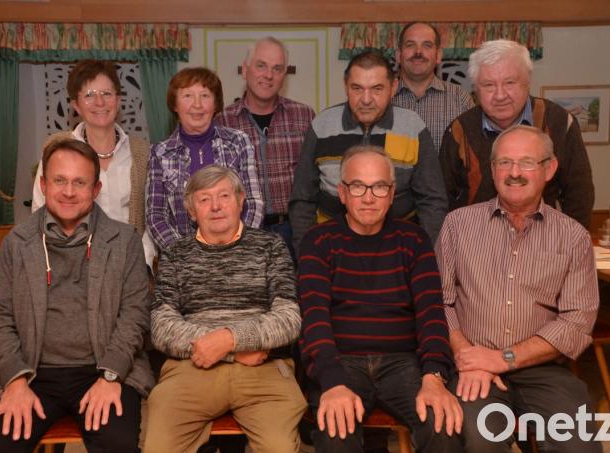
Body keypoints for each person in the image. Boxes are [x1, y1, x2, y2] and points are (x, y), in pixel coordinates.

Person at [0, 139, 153, 453]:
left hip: (105, 368)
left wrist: (111, 377)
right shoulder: (17, 243)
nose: (69, 191)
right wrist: (14, 380)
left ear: (96, 190)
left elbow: (135, 317)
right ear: (44, 185)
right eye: (60, 180)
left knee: (118, 445)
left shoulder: (125, 241)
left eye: (80, 182)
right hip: (31, 372)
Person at [436, 125, 601, 452]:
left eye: (527, 163)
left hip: (543, 370)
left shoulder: (573, 237)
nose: (514, 173)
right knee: (480, 439)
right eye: (504, 163)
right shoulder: (457, 225)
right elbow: (439, 303)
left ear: (549, 169)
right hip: (473, 367)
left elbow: (576, 323)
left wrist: (503, 358)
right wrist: (469, 357)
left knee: (578, 443)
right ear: (492, 169)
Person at [297, 145, 463, 453]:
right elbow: (314, 320)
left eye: (379, 187)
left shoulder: (414, 240)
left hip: (404, 363)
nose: (369, 197)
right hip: (341, 361)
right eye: (358, 186)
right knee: (335, 435)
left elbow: (431, 314)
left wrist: (434, 375)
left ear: (392, 193)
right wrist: (332, 382)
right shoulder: (318, 241)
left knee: (442, 426)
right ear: (342, 193)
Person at [144, 165, 306, 452]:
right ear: (191, 211)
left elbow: (288, 318)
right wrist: (231, 350)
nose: (216, 206)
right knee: (159, 447)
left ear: (241, 201)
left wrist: (230, 338)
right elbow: (161, 325)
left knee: (279, 447)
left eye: (224, 196)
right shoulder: (176, 254)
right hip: (191, 369)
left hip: (263, 370)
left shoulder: (270, 246)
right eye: (204, 199)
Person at [289, 50, 447, 256]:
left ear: (393, 87)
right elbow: (302, 200)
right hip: (331, 250)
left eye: (377, 89)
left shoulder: (412, 127)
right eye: (357, 88)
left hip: (398, 250)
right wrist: (307, 254)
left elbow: (432, 201)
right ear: (346, 86)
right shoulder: (322, 125)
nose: (366, 99)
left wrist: (424, 255)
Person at [440, 39, 595, 228]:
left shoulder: (560, 122)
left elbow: (579, 193)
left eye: (509, 83)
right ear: (476, 89)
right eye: (489, 85)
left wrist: (571, 240)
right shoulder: (459, 130)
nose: (500, 95)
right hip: (478, 239)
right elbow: (443, 198)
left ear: (527, 82)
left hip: (544, 239)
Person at [31, 59, 157, 271]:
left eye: (107, 93)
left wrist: (140, 262)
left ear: (118, 100)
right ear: (76, 105)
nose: (100, 102)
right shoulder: (57, 149)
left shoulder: (142, 152)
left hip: (130, 265)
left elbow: (151, 218)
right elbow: (40, 212)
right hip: (71, 267)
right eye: (89, 95)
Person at [217, 36, 315, 259]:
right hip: (242, 231)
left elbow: (313, 179)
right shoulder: (223, 121)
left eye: (277, 69)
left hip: (293, 231)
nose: (269, 75)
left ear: (284, 76)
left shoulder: (304, 116)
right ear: (245, 70)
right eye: (261, 65)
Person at [147, 67, 264, 251]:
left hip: (238, 254)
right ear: (175, 105)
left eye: (205, 95)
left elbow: (254, 203)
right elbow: (156, 216)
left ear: (216, 104)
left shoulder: (238, 142)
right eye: (187, 96)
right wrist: (186, 254)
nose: (197, 105)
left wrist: (236, 247)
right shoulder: (160, 153)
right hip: (184, 260)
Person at [393, 22, 474, 153]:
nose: (418, 52)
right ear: (398, 55)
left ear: (438, 55)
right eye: (410, 45)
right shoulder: (384, 98)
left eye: (427, 45)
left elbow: (472, 153)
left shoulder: (460, 99)